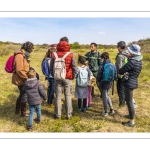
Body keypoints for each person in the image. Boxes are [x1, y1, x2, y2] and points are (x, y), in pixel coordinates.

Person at [50, 36, 78, 120]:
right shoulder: (70, 54)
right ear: (68, 43)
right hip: (67, 78)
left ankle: (57, 115)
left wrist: (54, 75)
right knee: (68, 96)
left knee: (58, 97)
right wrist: (73, 76)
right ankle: (68, 114)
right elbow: (74, 67)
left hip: (57, 78)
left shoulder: (54, 54)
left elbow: (51, 68)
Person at [119, 44, 142, 127]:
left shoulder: (132, 61)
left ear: (133, 53)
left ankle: (131, 121)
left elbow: (121, 70)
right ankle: (130, 115)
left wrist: (124, 71)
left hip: (129, 83)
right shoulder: (138, 61)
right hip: (133, 81)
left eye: (130, 51)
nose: (128, 52)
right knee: (129, 100)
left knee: (129, 102)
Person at [12, 41, 34, 117]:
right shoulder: (19, 55)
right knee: (24, 95)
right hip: (21, 78)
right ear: (27, 47)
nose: (32, 49)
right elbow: (19, 70)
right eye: (31, 48)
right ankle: (23, 113)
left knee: (22, 94)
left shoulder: (24, 54)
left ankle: (17, 110)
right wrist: (26, 78)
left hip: (22, 77)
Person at [115, 41, 137, 108]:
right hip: (128, 75)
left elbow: (118, 67)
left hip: (121, 76)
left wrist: (117, 76)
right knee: (126, 91)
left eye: (117, 47)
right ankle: (127, 102)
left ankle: (122, 105)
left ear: (119, 47)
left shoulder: (120, 56)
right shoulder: (129, 54)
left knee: (120, 90)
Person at [97, 52, 117, 116]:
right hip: (110, 82)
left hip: (103, 83)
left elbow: (99, 75)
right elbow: (115, 75)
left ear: (102, 58)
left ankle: (106, 112)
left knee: (104, 97)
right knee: (107, 95)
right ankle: (112, 109)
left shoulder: (102, 65)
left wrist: (98, 81)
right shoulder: (113, 65)